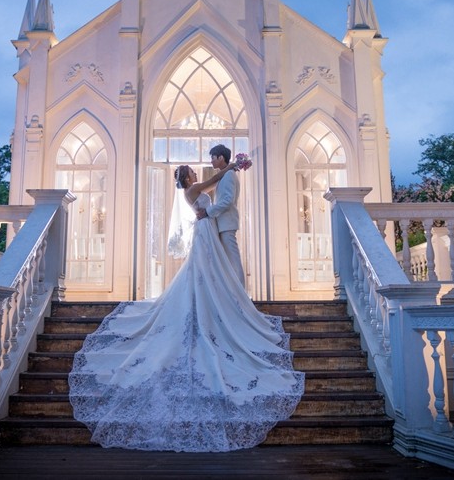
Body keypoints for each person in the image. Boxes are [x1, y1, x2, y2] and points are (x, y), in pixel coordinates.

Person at [67, 160, 305, 452]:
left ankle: (215, 299)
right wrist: (232, 166)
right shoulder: (193, 189)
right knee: (203, 270)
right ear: (187, 177)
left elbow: (215, 188)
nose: (195, 171)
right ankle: (210, 303)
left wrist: (231, 170)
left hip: (206, 231)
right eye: (191, 170)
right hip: (204, 231)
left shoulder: (192, 190)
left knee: (207, 271)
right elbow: (214, 182)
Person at [197, 144, 244, 287]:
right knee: (228, 260)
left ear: (221, 157)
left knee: (233, 259)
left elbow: (227, 201)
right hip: (223, 223)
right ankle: (233, 291)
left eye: (213, 158)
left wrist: (208, 212)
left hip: (227, 223)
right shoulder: (226, 174)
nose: (211, 161)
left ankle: (241, 294)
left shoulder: (229, 175)